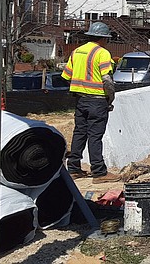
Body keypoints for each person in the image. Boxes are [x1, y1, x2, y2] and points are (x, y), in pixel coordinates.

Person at [62, 22, 120, 184]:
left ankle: (73, 168)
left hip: (81, 100)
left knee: (80, 132)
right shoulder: (102, 53)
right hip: (97, 101)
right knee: (95, 136)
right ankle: (99, 172)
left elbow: (66, 76)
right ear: (102, 38)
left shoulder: (77, 52)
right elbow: (107, 80)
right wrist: (110, 98)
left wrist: (79, 90)